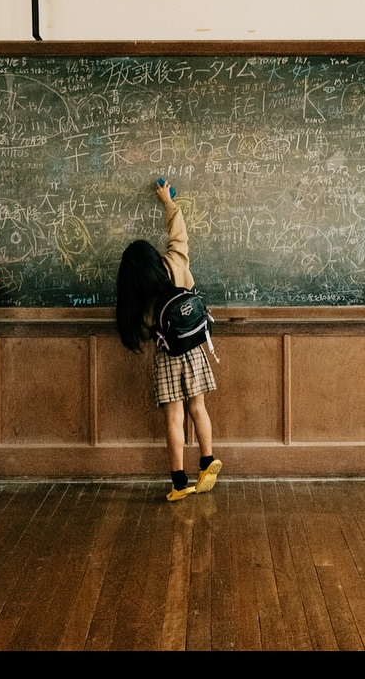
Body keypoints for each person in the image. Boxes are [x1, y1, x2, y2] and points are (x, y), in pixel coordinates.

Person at [115, 180, 221, 502]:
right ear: (154, 258)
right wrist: (168, 203)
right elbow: (179, 235)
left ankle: (178, 481)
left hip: (168, 356)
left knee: (175, 417)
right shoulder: (176, 263)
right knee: (199, 408)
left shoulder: (141, 302)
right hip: (195, 348)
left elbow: (144, 332)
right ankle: (206, 461)